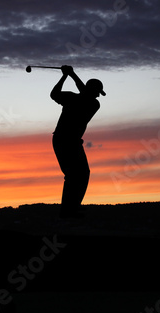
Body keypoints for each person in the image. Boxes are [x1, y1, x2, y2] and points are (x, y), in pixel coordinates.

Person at [50, 65, 105, 218]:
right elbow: (54, 94)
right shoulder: (78, 99)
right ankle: (69, 210)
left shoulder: (91, 103)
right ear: (93, 90)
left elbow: (82, 94)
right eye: (97, 92)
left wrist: (69, 75)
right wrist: (67, 75)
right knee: (74, 175)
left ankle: (70, 209)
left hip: (68, 141)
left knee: (77, 175)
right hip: (64, 141)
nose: (98, 96)